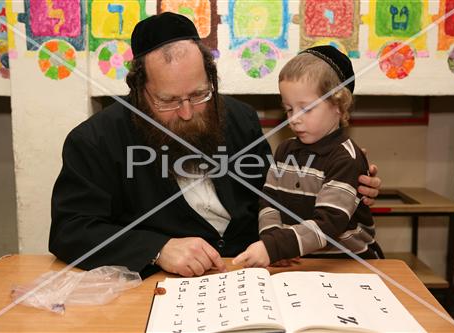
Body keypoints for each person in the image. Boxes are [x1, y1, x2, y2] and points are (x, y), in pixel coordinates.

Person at [49, 13, 381, 279]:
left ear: (211, 78)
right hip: (162, 286)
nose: (187, 112)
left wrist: (345, 185)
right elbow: (71, 230)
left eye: (198, 94)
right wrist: (158, 248)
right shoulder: (94, 140)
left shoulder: (240, 118)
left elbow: (274, 197)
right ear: (139, 91)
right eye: (167, 101)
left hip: (255, 272)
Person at [233, 46, 384, 268]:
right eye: (289, 109)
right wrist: (274, 243)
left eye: (306, 109)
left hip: (349, 264)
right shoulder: (285, 151)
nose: (294, 119)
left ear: (339, 106)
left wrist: (274, 247)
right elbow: (269, 201)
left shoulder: (346, 159)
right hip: (301, 260)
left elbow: (329, 224)